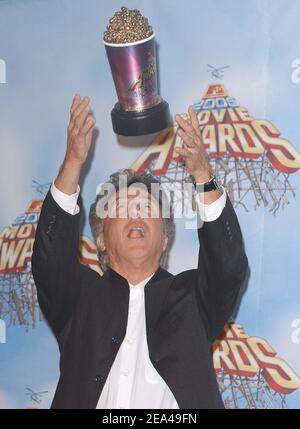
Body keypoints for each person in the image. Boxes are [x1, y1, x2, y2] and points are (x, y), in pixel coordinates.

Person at [31, 94, 248, 409]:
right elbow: (49, 259)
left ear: (164, 240)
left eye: (146, 207)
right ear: (101, 238)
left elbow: (228, 266)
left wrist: (203, 174)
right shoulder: (78, 297)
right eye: (122, 207)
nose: (135, 215)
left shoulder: (193, 300)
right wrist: (73, 162)